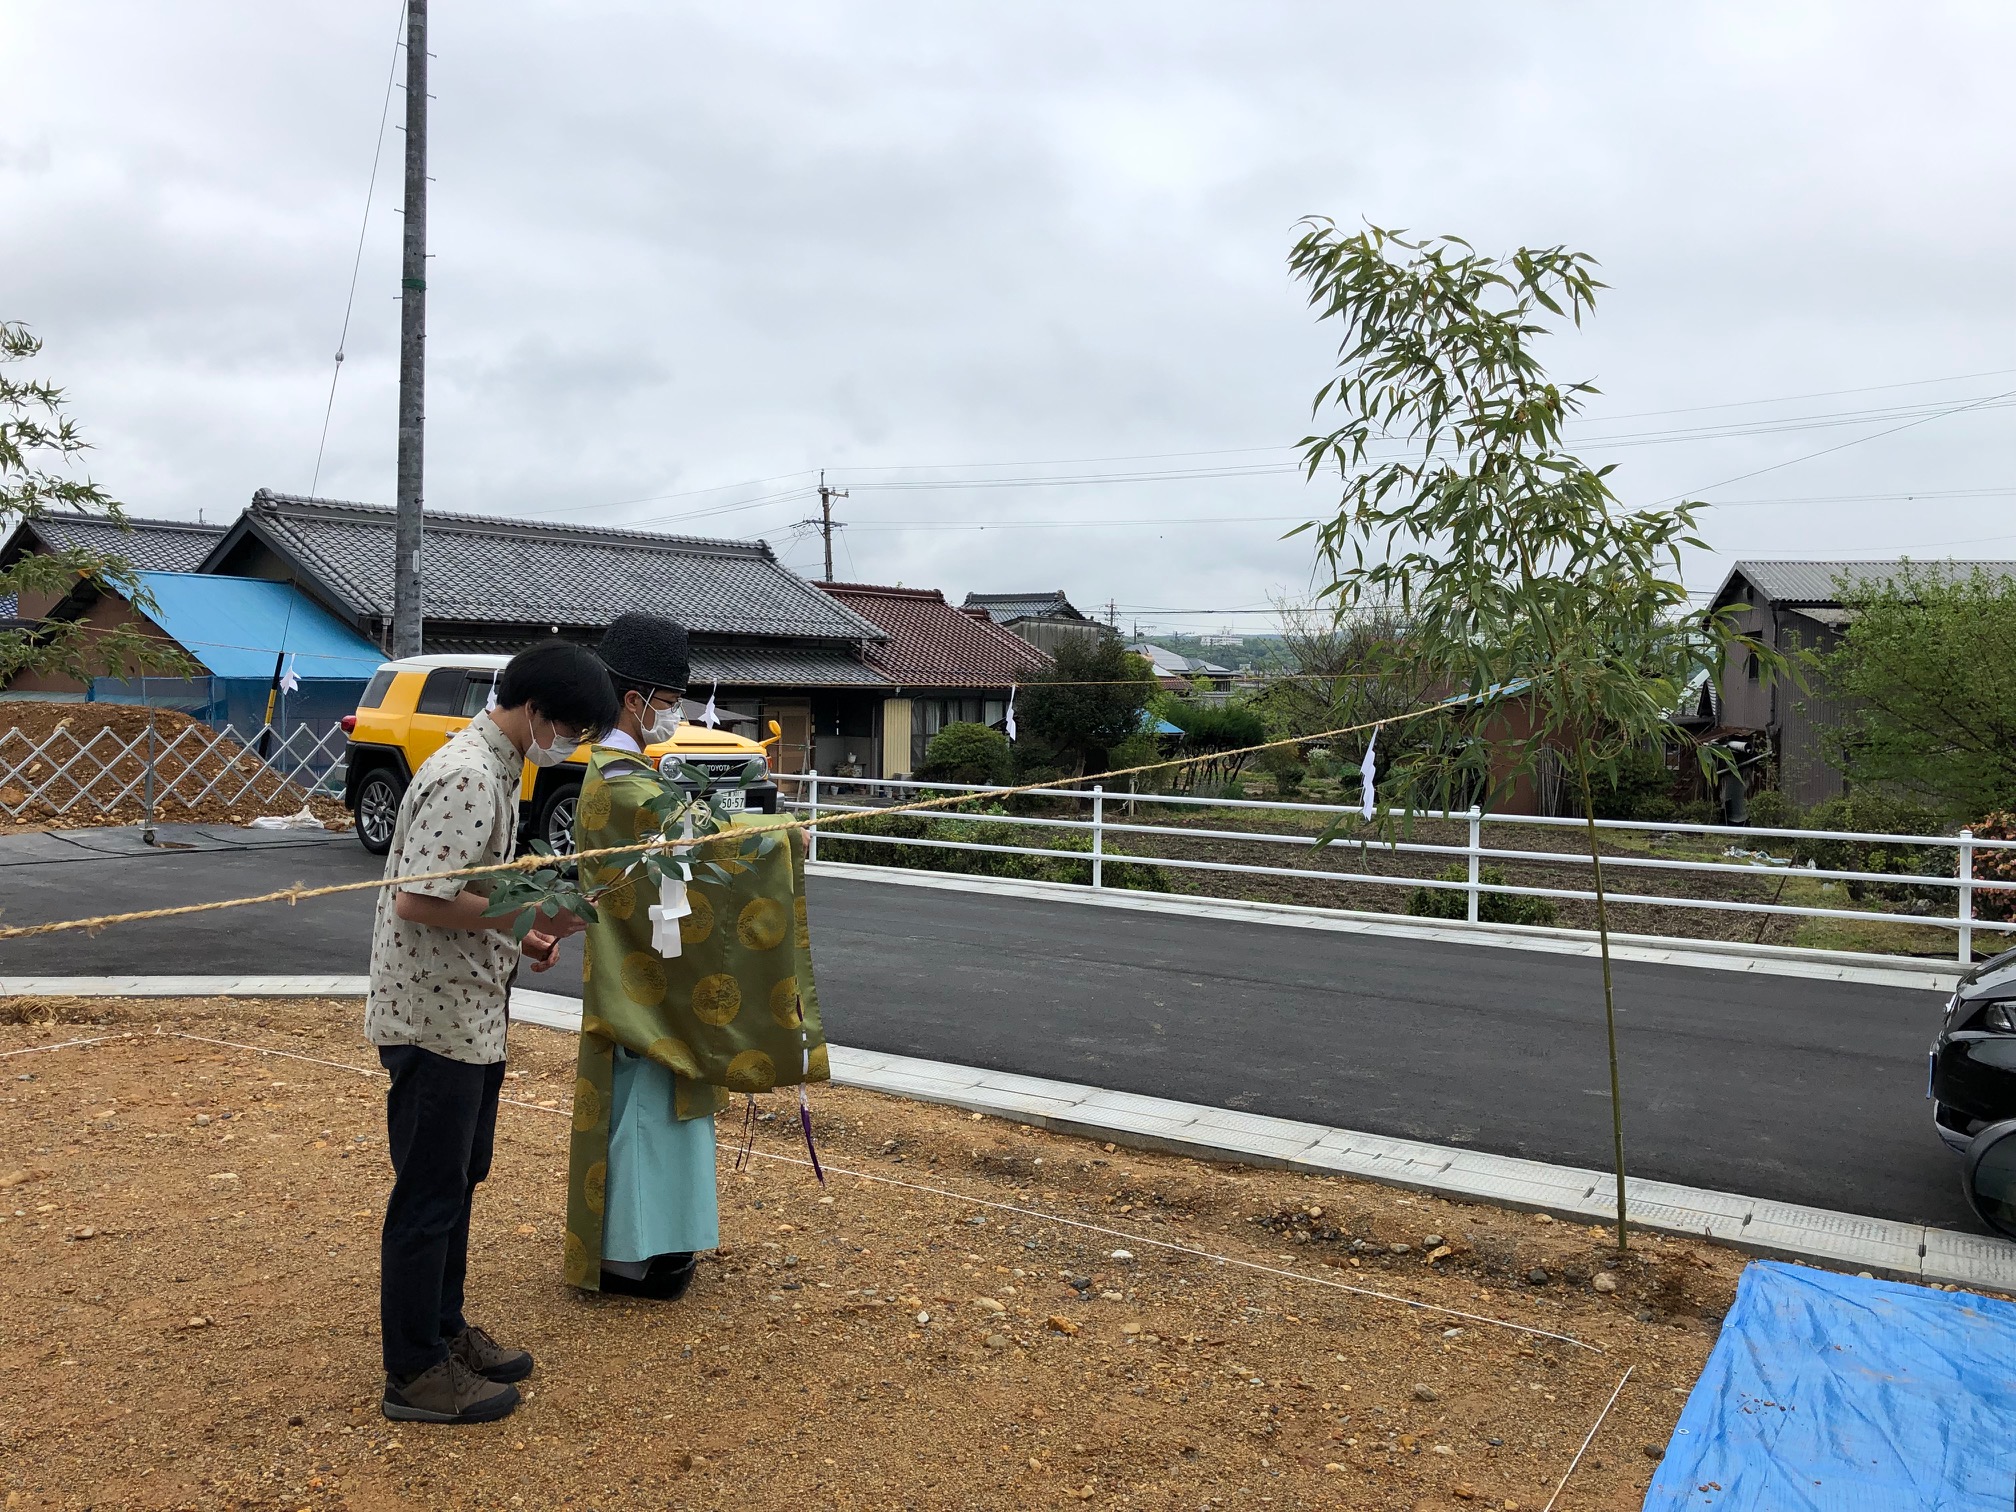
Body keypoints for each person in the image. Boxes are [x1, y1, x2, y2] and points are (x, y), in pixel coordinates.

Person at [366, 638, 617, 1425]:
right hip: (433, 1016)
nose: (571, 741)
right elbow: (420, 898)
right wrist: (536, 911)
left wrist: (523, 934)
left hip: (467, 1006)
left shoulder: (501, 765)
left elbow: (470, 888)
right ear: (535, 711)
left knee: (458, 1179)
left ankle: (444, 1331)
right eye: (570, 726)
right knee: (430, 1192)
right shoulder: (470, 776)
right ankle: (412, 1373)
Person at [579, 612, 717, 1298]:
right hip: (641, 973)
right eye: (669, 703)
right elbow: (702, 840)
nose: (674, 716)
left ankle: (649, 1245)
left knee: (650, 1102)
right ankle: (630, 1256)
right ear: (636, 700)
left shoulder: (619, 772)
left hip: (641, 960)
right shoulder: (624, 780)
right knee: (644, 1106)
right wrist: (781, 839)